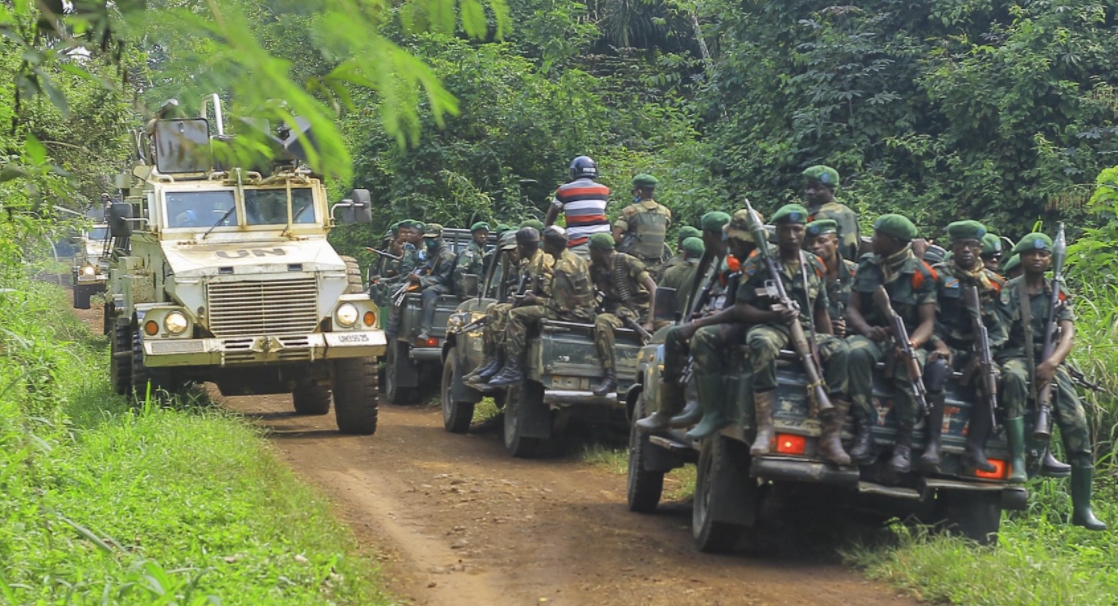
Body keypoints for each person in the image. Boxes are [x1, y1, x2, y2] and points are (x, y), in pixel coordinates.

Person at [997, 233, 1104, 530]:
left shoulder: (1058, 291)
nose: (1038, 259)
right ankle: (1017, 461)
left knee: (1077, 423)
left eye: (1044, 255)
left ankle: (1082, 508)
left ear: (1049, 259)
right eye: (1032, 254)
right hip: (1016, 355)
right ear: (1022, 257)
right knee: (1014, 378)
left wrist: (1052, 363)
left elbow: (1068, 334)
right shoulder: (1009, 291)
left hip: (1051, 362)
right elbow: (1001, 335)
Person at [731, 205, 850, 462]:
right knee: (761, 342)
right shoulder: (759, 261)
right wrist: (771, 316)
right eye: (787, 230)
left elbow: (821, 311)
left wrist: (827, 342)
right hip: (771, 326)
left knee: (842, 351)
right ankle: (765, 428)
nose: (793, 236)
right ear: (779, 232)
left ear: (804, 231)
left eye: (798, 230)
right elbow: (741, 307)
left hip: (805, 330)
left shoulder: (815, 265)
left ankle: (831, 436)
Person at [655, 208, 769, 440]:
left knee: (699, 335)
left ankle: (702, 409)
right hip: (745, 318)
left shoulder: (747, 262)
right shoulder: (737, 260)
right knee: (685, 333)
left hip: (754, 323)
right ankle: (681, 407)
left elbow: (738, 307)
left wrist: (702, 321)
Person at [844, 214, 938, 472]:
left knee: (909, 367)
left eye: (877, 236)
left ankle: (903, 444)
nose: (872, 240)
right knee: (854, 353)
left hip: (906, 339)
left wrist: (912, 343)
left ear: (894, 241)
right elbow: (852, 309)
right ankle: (863, 431)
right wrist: (866, 329)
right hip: (873, 335)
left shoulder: (921, 273)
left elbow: (927, 322)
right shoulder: (867, 264)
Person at [636, 212, 733, 432]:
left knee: (674, 336)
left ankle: (673, 407)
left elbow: (730, 300)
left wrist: (702, 320)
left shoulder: (726, 263)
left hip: (725, 322)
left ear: (708, 235)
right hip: (719, 318)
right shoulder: (716, 263)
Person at [927, 221, 1007, 473]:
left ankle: (975, 448)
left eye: (972, 245)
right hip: (944, 344)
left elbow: (1001, 328)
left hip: (977, 348)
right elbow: (927, 317)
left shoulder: (993, 283)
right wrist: (939, 343)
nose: (966, 250)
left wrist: (984, 353)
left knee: (991, 377)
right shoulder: (937, 275)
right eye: (961, 244)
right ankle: (933, 443)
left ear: (979, 248)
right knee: (937, 371)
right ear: (952, 246)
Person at [489, 227, 597, 387]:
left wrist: (535, 299)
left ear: (551, 246)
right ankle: (504, 364)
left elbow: (562, 307)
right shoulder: (575, 258)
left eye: (544, 241)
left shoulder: (562, 268)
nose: (541, 244)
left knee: (515, 315)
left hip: (576, 314)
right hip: (582, 309)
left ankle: (513, 370)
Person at [587, 233, 660, 396]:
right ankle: (610, 376)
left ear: (598, 251)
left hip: (642, 310)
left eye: (591, 250)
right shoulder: (595, 269)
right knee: (602, 321)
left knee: (668, 331)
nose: (589, 254)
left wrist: (649, 322)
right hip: (618, 313)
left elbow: (653, 289)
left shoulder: (627, 261)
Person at [464, 230, 525, 384]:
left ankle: (502, 362)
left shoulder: (530, 264)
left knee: (502, 311)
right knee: (492, 308)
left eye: (514, 251)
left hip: (531, 305)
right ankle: (489, 360)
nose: (511, 255)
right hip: (520, 302)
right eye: (508, 253)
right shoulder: (515, 266)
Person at [545, 156, 611, 258]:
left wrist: (547, 228)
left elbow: (553, 211)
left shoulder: (564, 190)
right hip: (604, 241)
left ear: (574, 171)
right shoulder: (604, 190)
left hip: (578, 243)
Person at [613, 174, 672, 280]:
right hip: (657, 267)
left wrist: (625, 240)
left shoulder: (630, 211)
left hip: (634, 266)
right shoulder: (665, 212)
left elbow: (615, 237)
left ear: (638, 191)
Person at [806, 219, 856, 337]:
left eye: (821, 241)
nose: (815, 246)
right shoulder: (804, 274)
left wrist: (849, 325)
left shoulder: (855, 273)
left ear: (835, 243)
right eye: (811, 243)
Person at [803, 165, 860, 262]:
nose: (810, 192)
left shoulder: (843, 214)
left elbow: (847, 250)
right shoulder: (807, 211)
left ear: (831, 191)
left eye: (818, 188)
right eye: (808, 187)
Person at [412, 223, 458, 341]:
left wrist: (421, 280)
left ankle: (425, 330)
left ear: (439, 237)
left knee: (429, 292)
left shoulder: (446, 255)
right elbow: (427, 267)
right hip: (433, 281)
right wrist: (416, 275)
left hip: (446, 286)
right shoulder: (432, 251)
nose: (429, 241)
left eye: (433, 238)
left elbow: (444, 278)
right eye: (427, 238)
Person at [658, 237, 704, 318]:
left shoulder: (671, 272)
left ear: (685, 255)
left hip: (674, 321)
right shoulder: (707, 272)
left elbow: (660, 302)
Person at [454, 221, 489, 296]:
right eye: (480, 233)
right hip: (471, 293)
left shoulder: (480, 251)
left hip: (480, 291)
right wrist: (463, 293)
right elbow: (459, 271)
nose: (483, 236)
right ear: (473, 235)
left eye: (485, 234)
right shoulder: (470, 251)